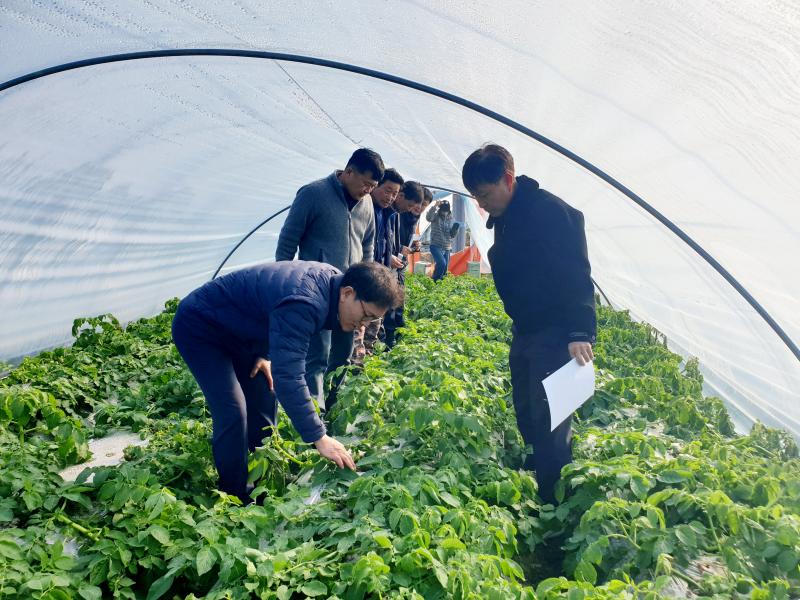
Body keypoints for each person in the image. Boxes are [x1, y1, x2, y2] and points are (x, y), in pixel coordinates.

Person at [172, 261, 403, 503]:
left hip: (239, 332)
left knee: (263, 394)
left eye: (372, 320)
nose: (364, 325)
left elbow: (272, 313)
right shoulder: (307, 301)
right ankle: (234, 496)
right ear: (348, 294)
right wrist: (319, 437)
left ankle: (263, 485)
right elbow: (289, 377)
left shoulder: (334, 287)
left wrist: (263, 355)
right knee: (232, 410)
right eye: (366, 315)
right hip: (201, 326)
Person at [461, 144, 595, 504]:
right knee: (526, 404)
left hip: (556, 330)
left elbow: (575, 271)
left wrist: (580, 332)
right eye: (477, 198)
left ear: (507, 178)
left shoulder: (550, 212)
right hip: (527, 328)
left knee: (552, 414)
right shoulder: (506, 214)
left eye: (485, 194)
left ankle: (554, 501)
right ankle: (542, 469)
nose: (482, 204)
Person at [275, 148, 384, 408]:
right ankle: (314, 416)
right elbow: (288, 241)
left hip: (352, 296)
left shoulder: (367, 203)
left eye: (373, 186)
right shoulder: (313, 194)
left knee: (343, 355)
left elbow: (367, 244)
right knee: (317, 356)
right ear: (348, 172)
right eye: (366, 183)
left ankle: (333, 405)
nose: (368, 190)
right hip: (317, 293)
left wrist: (366, 285)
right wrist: (285, 284)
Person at [352, 168, 405, 361]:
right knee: (358, 330)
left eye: (395, 193)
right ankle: (355, 371)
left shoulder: (387, 214)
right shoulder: (363, 208)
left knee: (371, 330)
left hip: (379, 279)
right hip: (365, 281)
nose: (391, 197)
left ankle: (366, 364)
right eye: (387, 190)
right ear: (375, 186)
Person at [426, 199, 459, 281]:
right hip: (435, 245)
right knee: (442, 263)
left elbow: (452, 235)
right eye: (443, 210)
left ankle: (439, 283)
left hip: (447, 247)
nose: (444, 212)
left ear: (448, 210)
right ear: (440, 209)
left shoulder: (451, 218)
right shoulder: (435, 216)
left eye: (446, 210)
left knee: (444, 269)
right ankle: (435, 281)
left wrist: (455, 230)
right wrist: (435, 206)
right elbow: (428, 217)